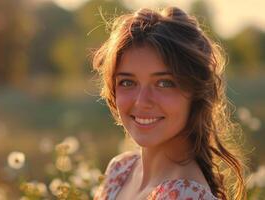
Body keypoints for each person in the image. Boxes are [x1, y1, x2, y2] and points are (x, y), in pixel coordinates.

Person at [92, 6, 246, 200]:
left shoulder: (186, 196)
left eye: (164, 83)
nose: (141, 101)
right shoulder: (120, 170)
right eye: (127, 82)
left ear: (196, 92)